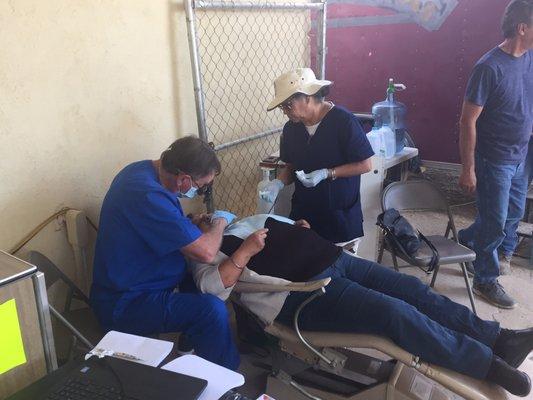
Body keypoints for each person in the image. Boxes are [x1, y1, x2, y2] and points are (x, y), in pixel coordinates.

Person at [189, 214, 533, 397]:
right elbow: (213, 286)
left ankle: (498, 339)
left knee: (414, 290)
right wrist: (239, 245)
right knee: (391, 313)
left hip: (337, 258)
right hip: (306, 292)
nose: (202, 215)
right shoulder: (204, 253)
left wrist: (296, 230)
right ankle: (486, 365)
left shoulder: (235, 222)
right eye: (192, 220)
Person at [90, 136, 240, 370]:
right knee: (211, 311)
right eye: (201, 187)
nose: (200, 192)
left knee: (206, 284)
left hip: (142, 282)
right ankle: (227, 386)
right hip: (125, 302)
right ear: (184, 180)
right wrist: (220, 222)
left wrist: (190, 222)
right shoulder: (146, 194)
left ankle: (190, 346)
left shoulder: (142, 171)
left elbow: (158, 224)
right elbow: (207, 253)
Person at [457, 0, 533, 308]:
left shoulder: (529, 59)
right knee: (496, 222)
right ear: (523, 28)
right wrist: (468, 168)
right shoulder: (488, 67)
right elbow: (467, 120)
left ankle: (467, 239)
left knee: (510, 216)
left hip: (522, 156)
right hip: (494, 160)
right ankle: (484, 280)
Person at [261, 68, 374, 253]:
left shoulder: (343, 121)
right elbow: (291, 166)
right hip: (304, 217)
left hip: (339, 217)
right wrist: (278, 183)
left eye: (288, 105)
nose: (285, 112)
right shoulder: (291, 129)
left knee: (339, 272)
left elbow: (365, 164)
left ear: (308, 96)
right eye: (282, 107)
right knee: (306, 270)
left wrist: (328, 173)